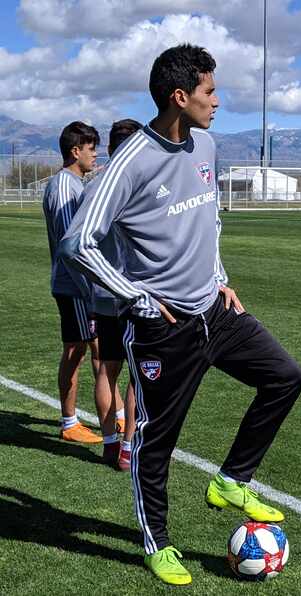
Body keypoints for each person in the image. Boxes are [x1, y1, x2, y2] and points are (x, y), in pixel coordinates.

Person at [60, 45, 301, 585]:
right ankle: (158, 544)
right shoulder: (127, 163)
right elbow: (78, 243)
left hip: (214, 312)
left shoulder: (209, 145)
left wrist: (219, 278)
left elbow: (208, 221)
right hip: (162, 328)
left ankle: (232, 479)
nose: (217, 102)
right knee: (156, 441)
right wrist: (136, 296)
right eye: (210, 91)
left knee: (286, 377)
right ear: (180, 96)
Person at [43, 121, 102, 443]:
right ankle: (70, 423)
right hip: (75, 286)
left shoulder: (73, 184)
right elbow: (71, 249)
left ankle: (111, 416)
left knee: (91, 348)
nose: (96, 154)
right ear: (75, 151)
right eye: (91, 149)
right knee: (77, 351)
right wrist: (90, 292)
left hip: (77, 286)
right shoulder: (65, 186)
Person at [92, 119, 141, 470]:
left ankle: (110, 442)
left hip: (101, 292)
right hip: (133, 294)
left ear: (110, 148)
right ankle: (127, 449)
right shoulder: (139, 186)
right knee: (138, 376)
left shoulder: (93, 187)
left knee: (107, 370)